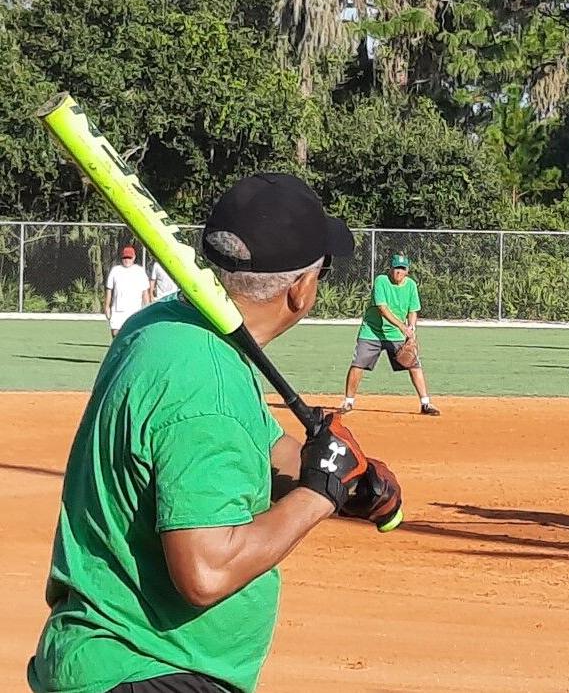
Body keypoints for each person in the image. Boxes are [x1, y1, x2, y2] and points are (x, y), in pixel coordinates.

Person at [27, 173, 402, 693]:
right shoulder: (207, 389)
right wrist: (319, 497)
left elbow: (267, 453)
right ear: (300, 289)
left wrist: (345, 481)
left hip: (110, 659)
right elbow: (206, 572)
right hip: (150, 669)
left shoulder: (172, 327)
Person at [339, 253, 440, 416]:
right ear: (390, 269)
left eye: (402, 269)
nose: (398, 272)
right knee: (358, 364)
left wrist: (412, 329)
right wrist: (402, 326)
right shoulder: (381, 281)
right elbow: (382, 308)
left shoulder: (411, 285)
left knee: (414, 365)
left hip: (396, 335)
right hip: (372, 332)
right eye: (396, 268)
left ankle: (425, 404)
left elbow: (413, 310)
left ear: (407, 271)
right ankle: (348, 402)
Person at [105, 245, 151, 337]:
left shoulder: (140, 271)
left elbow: (145, 292)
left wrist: (147, 308)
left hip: (134, 310)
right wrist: (107, 306)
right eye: (125, 257)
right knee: (115, 334)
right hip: (118, 309)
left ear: (133, 258)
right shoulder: (115, 270)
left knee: (133, 334)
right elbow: (109, 290)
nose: (127, 260)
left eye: (129, 258)